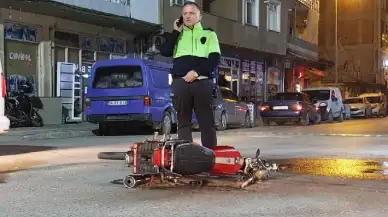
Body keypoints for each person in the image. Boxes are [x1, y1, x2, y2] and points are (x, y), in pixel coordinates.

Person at [160, 1, 221, 148]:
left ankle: (210, 154)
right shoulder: (176, 36)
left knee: (206, 121)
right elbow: (165, 51)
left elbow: (214, 59)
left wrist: (196, 72)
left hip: (202, 82)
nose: (188, 16)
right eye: (184, 13)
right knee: (183, 121)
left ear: (199, 16)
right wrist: (175, 31)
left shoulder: (209, 34)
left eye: (191, 13)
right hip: (181, 83)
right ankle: (186, 156)